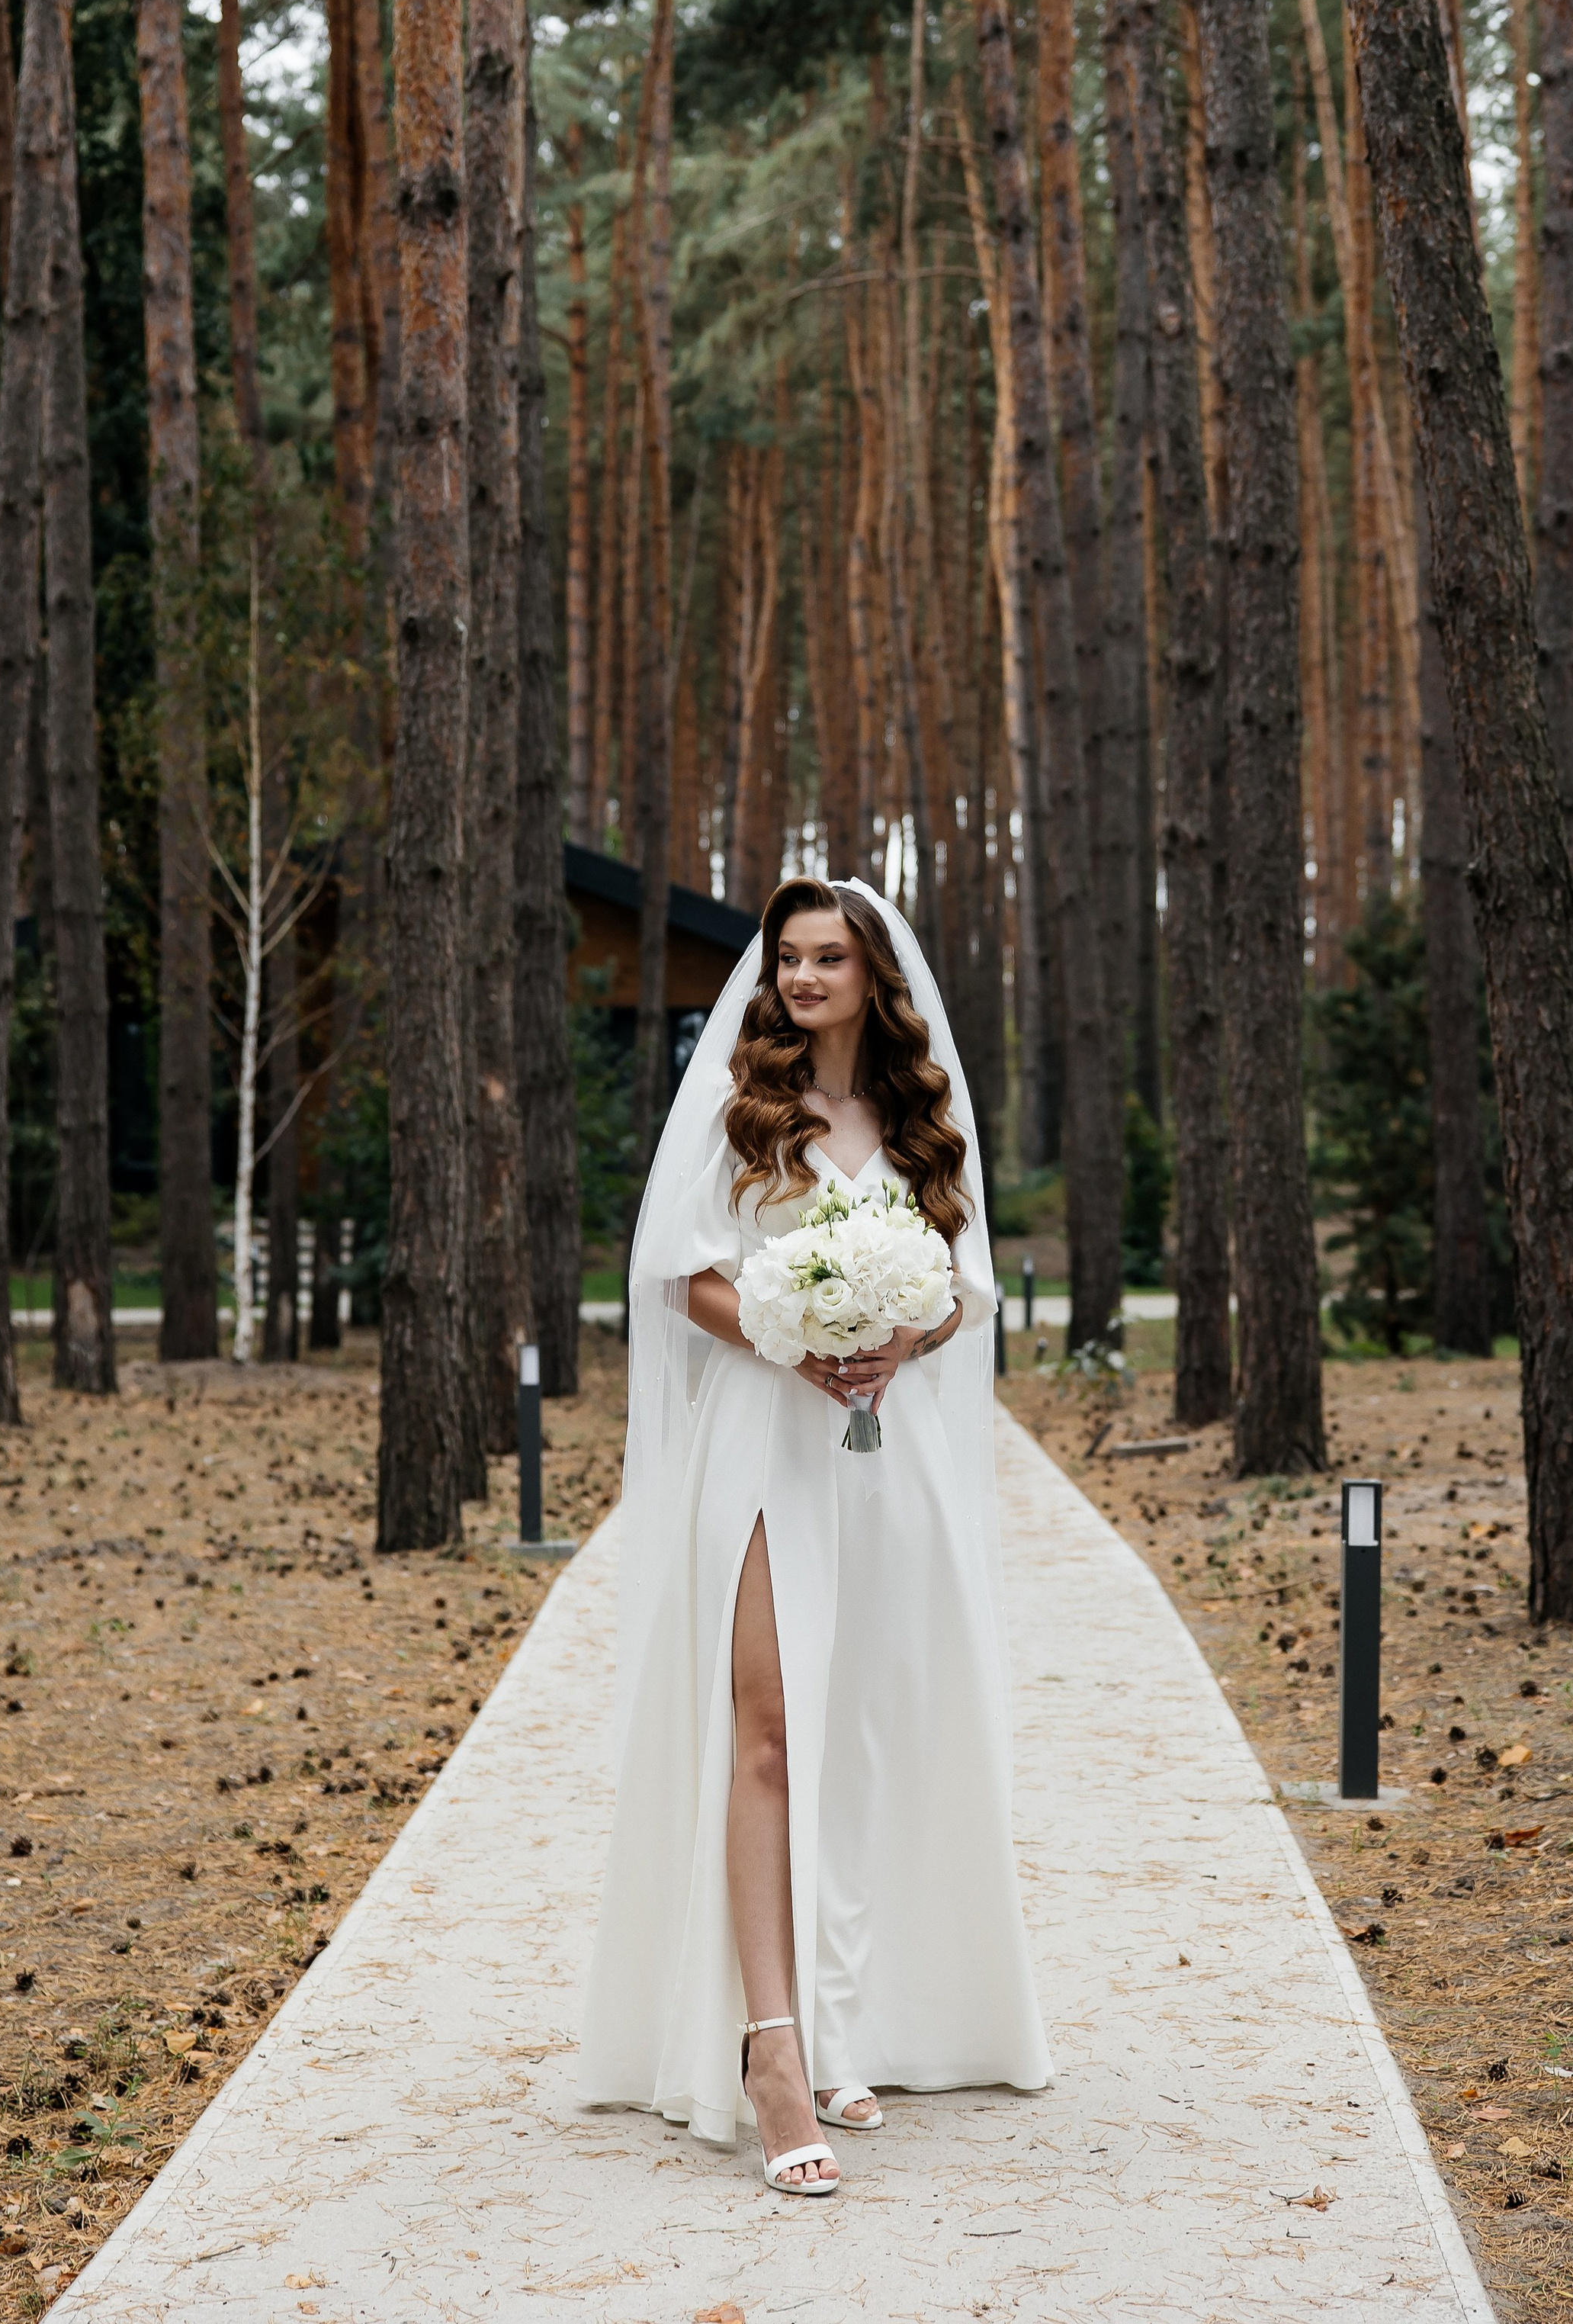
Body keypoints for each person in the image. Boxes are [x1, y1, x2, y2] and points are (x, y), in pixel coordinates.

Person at [578, 875, 1050, 2192]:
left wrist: (902, 1330)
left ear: (872, 974)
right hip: (763, 1448)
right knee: (770, 1730)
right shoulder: (744, 1111)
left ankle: (847, 2015)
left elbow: (967, 1290)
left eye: (826, 958)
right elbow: (677, 1275)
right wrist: (793, 1334)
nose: (800, 978)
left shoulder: (919, 1117)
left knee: (869, 1733)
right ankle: (769, 2051)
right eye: (787, 957)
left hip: (887, 1458)